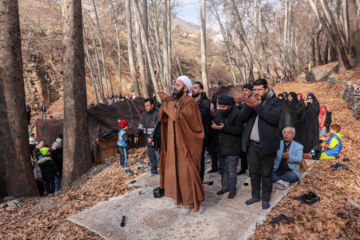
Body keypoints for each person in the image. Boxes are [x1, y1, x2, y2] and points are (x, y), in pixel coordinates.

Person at [157, 75, 205, 214]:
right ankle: (178, 199)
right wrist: (166, 102)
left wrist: (168, 102)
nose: (174, 87)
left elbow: (178, 116)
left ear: (185, 88)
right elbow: (162, 117)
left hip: (186, 144)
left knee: (185, 174)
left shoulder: (190, 102)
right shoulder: (173, 101)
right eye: (174, 85)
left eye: (177, 85)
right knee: (174, 172)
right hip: (173, 144)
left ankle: (189, 203)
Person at [238, 79, 282, 209]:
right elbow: (241, 118)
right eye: (255, 89)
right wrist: (248, 106)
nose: (256, 92)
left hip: (267, 145)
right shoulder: (251, 100)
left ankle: (265, 198)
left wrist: (257, 106)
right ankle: (255, 196)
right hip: (252, 145)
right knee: (254, 172)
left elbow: (273, 118)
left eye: (259, 89)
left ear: (266, 89)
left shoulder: (275, 102)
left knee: (267, 173)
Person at [211, 94, 243, 199]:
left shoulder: (237, 114)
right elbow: (216, 127)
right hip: (221, 146)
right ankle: (225, 188)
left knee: (231, 170)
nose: (222, 108)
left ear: (229, 105)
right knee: (223, 169)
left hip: (233, 147)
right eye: (220, 106)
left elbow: (239, 130)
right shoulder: (217, 114)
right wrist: (214, 127)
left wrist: (224, 128)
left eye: (224, 106)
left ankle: (232, 190)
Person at [134, 98, 159, 176]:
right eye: (145, 106)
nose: (146, 108)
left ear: (152, 105)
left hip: (156, 140)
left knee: (159, 157)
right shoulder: (145, 114)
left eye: (148, 106)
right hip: (147, 139)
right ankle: (153, 172)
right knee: (151, 157)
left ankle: (163, 173)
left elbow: (157, 127)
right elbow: (141, 125)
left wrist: (152, 137)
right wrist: (137, 134)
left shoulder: (157, 113)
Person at [192, 81, 211, 182]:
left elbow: (199, 116)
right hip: (191, 135)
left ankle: (199, 181)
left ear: (201, 90)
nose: (193, 89)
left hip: (201, 135)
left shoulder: (206, 102)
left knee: (200, 159)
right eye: (192, 87)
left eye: (195, 88)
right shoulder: (190, 101)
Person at [207, 100, 219, 173]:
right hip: (210, 134)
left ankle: (221, 168)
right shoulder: (207, 112)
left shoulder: (219, 111)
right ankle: (214, 167)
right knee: (212, 152)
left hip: (218, 134)